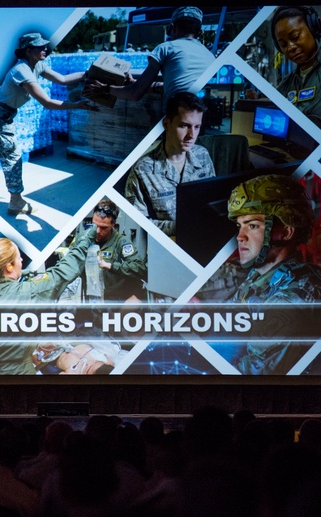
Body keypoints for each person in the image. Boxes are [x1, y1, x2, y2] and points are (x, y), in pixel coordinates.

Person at [225, 174, 321, 374]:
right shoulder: (262, 277)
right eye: (240, 225)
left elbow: (251, 376)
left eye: (252, 226)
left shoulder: (294, 297)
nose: (240, 236)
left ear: (286, 232)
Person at [0, 32, 85, 216]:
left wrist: (89, 73)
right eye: (40, 47)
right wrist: (76, 105)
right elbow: (46, 102)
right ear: (28, 51)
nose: (45, 48)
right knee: (11, 155)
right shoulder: (21, 71)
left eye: (45, 45)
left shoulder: (38, 65)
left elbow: (62, 79)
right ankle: (16, 201)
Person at [0, 232, 95, 375]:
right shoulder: (30, 291)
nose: (21, 259)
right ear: (9, 267)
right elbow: (66, 270)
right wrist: (87, 238)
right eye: (18, 257)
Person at [85, 6, 215, 113]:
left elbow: (135, 94)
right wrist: (136, 82)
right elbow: (179, 86)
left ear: (173, 27)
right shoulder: (210, 56)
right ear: (199, 32)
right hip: (203, 118)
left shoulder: (167, 48)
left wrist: (104, 89)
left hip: (177, 119)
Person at [123, 91, 216, 237]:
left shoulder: (202, 156)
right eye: (184, 126)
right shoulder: (143, 169)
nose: (192, 135)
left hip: (203, 236)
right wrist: (182, 227)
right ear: (166, 123)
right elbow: (137, 224)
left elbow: (213, 202)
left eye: (197, 127)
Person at [271, 6, 321, 134]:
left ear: (313, 28)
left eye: (295, 37)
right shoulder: (285, 85)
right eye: (283, 45)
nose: (290, 48)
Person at [77, 198, 147, 302]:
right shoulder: (82, 238)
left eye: (103, 227)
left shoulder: (121, 242)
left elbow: (139, 268)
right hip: (88, 298)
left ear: (113, 224)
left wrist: (109, 265)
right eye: (95, 225)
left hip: (113, 299)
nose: (97, 231)